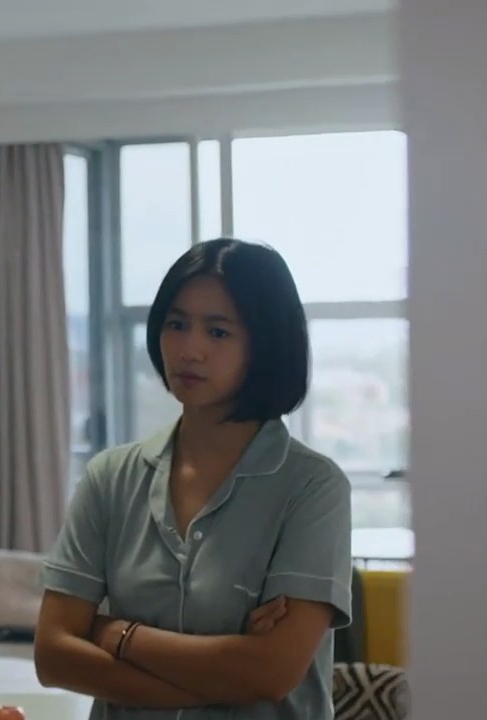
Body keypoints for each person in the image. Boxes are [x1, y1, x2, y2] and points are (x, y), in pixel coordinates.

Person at [34, 238, 353, 720]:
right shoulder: (110, 477)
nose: (190, 350)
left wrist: (116, 633)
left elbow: (272, 673)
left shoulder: (313, 487)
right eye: (176, 324)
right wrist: (225, 676)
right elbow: (53, 655)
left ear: (265, 345)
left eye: (218, 332)